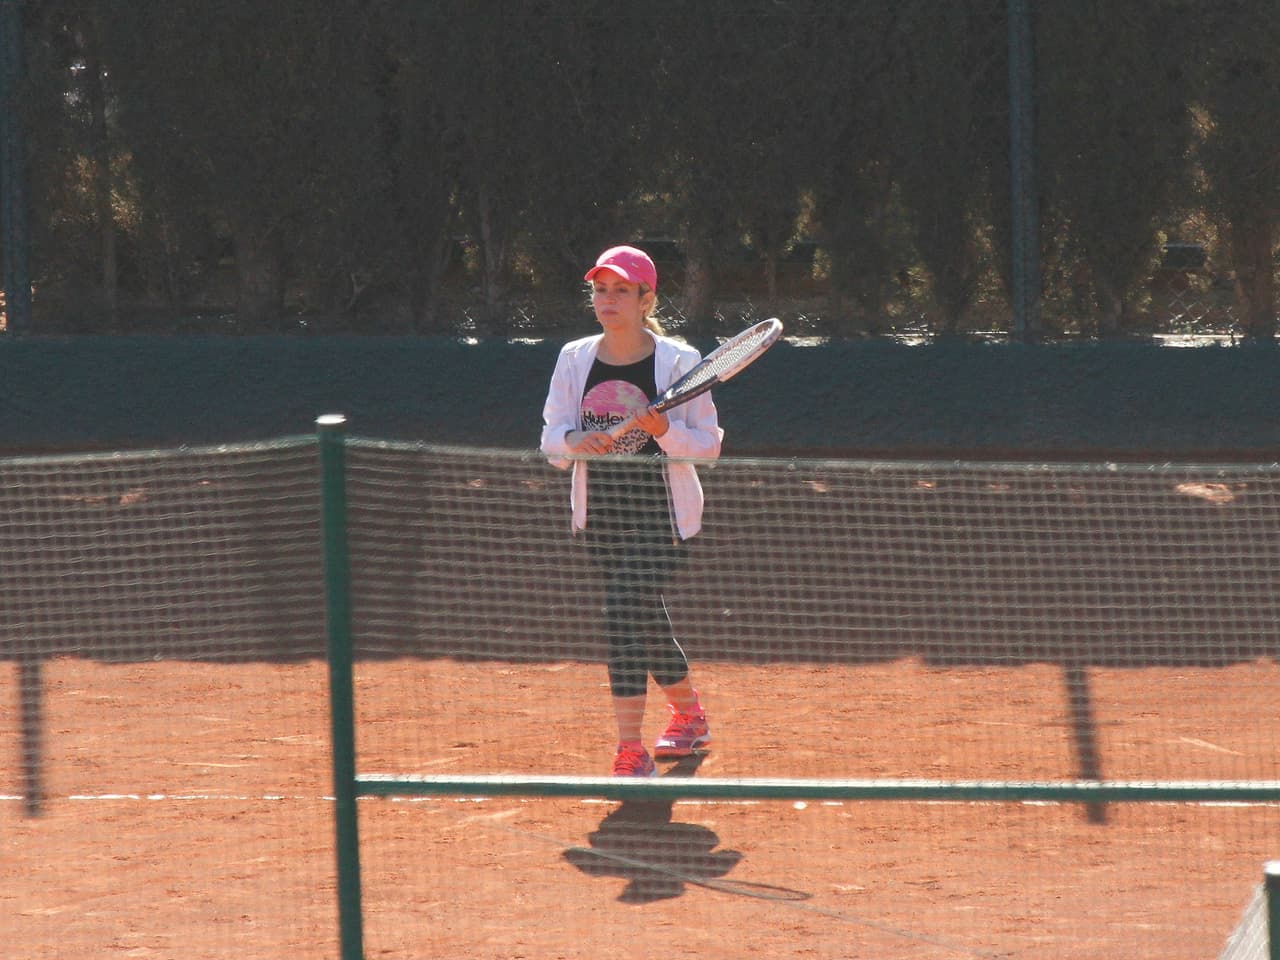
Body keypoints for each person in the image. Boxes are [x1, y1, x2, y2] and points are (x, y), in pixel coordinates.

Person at [541, 244, 723, 777]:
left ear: (647, 299)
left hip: (664, 518)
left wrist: (662, 428)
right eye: (600, 289)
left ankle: (630, 750)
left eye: (622, 290)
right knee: (643, 619)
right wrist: (575, 439)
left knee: (620, 611)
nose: (608, 299)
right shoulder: (574, 358)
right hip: (601, 517)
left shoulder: (679, 363)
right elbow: (551, 441)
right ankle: (690, 717)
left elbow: (707, 446)